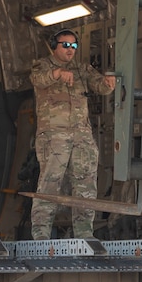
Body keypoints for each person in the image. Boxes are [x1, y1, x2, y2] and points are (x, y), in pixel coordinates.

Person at [28, 28, 116, 239]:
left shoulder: (81, 69)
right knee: (50, 182)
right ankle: (41, 234)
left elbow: (100, 87)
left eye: (74, 46)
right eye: (65, 45)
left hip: (81, 135)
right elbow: (38, 80)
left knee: (85, 183)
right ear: (54, 46)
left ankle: (84, 233)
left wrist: (108, 83)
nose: (70, 50)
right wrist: (57, 74)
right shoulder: (43, 65)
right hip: (54, 135)